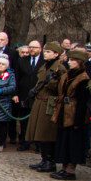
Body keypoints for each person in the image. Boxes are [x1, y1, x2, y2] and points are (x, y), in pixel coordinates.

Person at [50, 49, 91, 180]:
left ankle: (71, 170)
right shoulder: (66, 76)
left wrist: (79, 120)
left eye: (73, 60)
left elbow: (83, 101)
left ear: (80, 62)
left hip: (75, 112)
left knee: (74, 142)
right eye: (69, 59)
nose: (69, 62)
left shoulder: (83, 78)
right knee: (63, 140)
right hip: (63, 111)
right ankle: (63, 167)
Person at [26, 42, 66, 172]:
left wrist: (51, 82)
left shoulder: (59, 68)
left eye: (48, 51)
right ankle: (44, 159)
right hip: (40, 101)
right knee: (40, 132)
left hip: (50, 102)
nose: (45, 53)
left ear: (56, 54)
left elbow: (61, 87)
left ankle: (50, 161)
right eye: (45, 51)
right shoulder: (45, 66)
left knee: (48, 133)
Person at [14, 40, 42, 149]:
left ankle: (38, 143)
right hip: (24, 94)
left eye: (34, 47)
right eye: (30, 47)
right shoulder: (22, 60)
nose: (32, 49)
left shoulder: (44, 62)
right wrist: (16, 94)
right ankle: (25, 142)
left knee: (38, 120)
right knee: (24, 120)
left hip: (38, 94)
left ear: (40, 49)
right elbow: (17, 77)